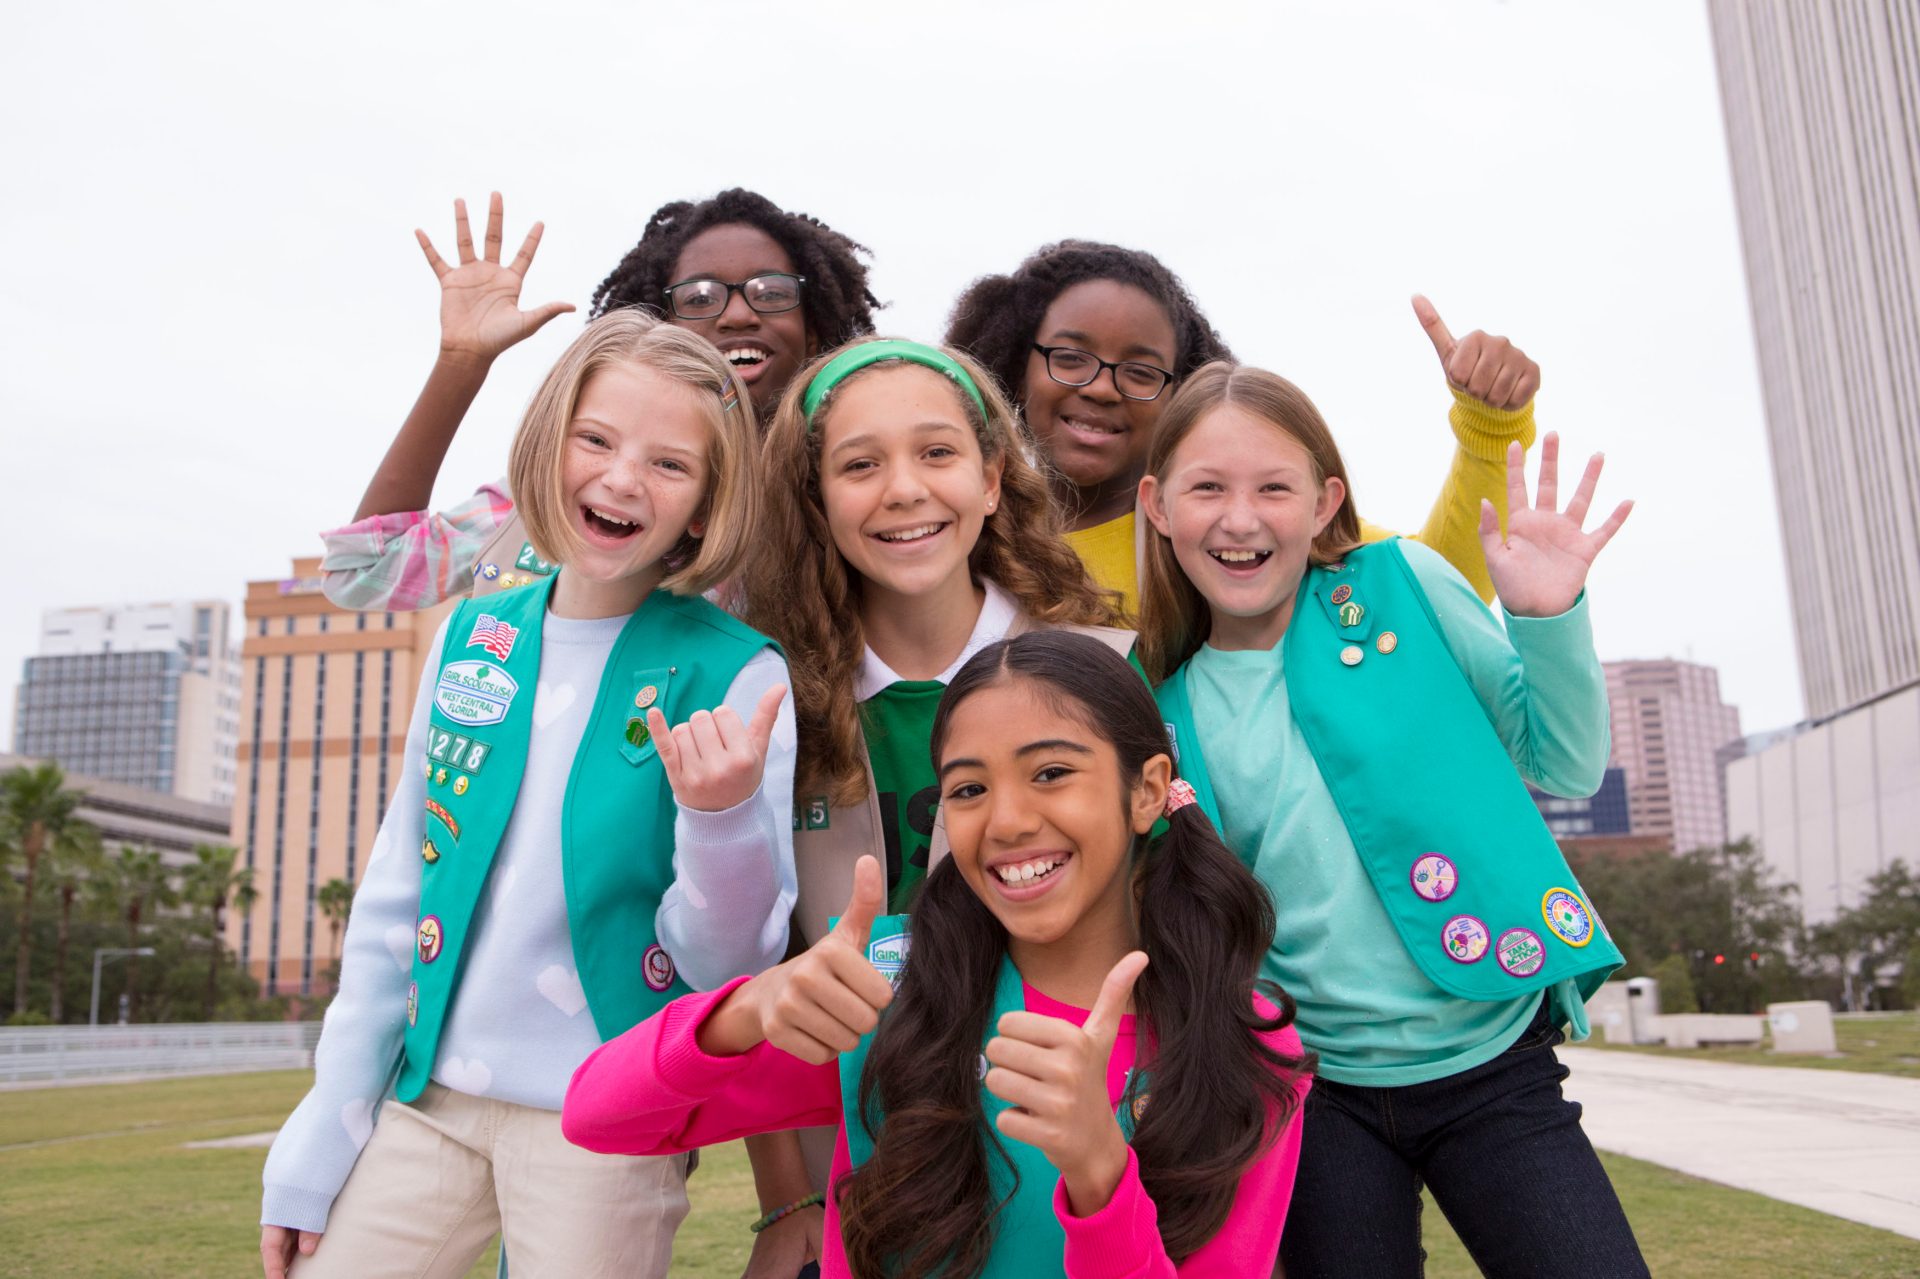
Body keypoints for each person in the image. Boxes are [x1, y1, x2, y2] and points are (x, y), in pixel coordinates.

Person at [258, 310, 797, 1279]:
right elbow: (395, 898)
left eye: (671, 465)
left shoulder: (737, 674)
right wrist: (317, 1141)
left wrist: (721, 818)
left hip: (608, 1111)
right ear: (548, 445)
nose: (624, 477)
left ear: (708, 508)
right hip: (425, 1106)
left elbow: (729, 961)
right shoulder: (473, 636)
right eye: (596, 439)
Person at [563, 630, 1313, 1277]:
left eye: (1051, 772)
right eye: (969, 788)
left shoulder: (1243, 1042)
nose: (1010, 820)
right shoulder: (896, 986)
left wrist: (1099, 1169)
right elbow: (599, 1114)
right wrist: (755, 1003)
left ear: (1147, 789)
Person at [1135, 362, 1647, 1277]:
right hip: (1311, 1094)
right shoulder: (1157, 707)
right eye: (1207, 487)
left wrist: (1548, 616)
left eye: (1274, 487)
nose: (1240, 517)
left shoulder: (1404, 581)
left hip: (1493, 1060)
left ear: (1328, 502)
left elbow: (1564, 762)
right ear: (1158, 505)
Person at [319, 189, 880, 611]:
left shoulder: (858, 489)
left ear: (814, 327)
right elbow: (364, 571)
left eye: (772, 292)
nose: (738, 313)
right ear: (665, 330)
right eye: (700, 296)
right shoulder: (569, 494)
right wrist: (461, 364)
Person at [945, 240, 1539, 613]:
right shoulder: (960, 538)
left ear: (1183, 390)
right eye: (1070, 358)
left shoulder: (1231, 532)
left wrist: (1489, 426)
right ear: (1015, 364)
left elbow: (1436, 592)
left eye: (1141, 370)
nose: (1101, 387)